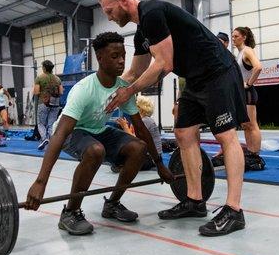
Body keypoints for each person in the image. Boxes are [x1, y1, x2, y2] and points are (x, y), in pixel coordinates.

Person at [98, 0, 248, 236]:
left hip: (217, 72)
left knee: (225, 136)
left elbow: (164, 64)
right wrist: (104, 90)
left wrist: (129, 92)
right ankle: (194, 200)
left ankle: (234, 211)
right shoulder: (140, 32)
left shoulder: (153, 12)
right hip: (195, 79)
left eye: (109, 11)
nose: (110, 18)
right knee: (184, 134)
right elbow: (134, 72)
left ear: (123, 1)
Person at [24, 32, 172, 235]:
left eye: (123, 55)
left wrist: (160, 164)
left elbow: (140, 128)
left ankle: (112, 204)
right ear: (100, 58)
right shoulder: (84, 89)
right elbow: (60, 133)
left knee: (139, 148)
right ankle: (70, 212)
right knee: (95, 150)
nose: (121, 61)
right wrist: (40, 182)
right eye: (114, 56)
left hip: (98, 130)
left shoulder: (123, 89)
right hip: (71, 132)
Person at [231, 27, 263, 158]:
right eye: (232, 36)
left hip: (248, 92)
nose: (233, 39)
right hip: (241, 93)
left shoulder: (247, 51)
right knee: (245, 125)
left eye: (236, 36)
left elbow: (258, 67)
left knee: (252, 124)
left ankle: (255, 154)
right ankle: (250, 152)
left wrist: (248, 83)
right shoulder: (239, 53)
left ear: (244, 37)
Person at [116, 95, 163, 171]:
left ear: (140, 109)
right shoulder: (143, 120)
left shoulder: (146, 121)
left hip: (151, 158)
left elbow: (135, 140)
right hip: (149, 156)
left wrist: (125, 126)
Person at [34, 59, 63, 150]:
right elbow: (61, 92)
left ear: (44, 68)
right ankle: (52, 143)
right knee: (51, 124)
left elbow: (36, 92)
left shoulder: (40, 78)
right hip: (55, 103)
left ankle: (44, 139)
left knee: (41, 123)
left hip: (43, 103)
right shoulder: (57, 79)